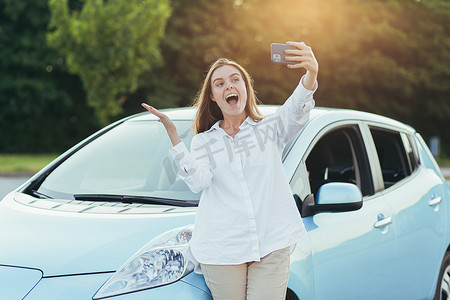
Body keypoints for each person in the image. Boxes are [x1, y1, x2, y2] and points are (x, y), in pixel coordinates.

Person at [141, 41, 318, 300]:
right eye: (220, 83)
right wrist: (175, 139)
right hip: (222, 248)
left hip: (272, 241)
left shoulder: (270, 130)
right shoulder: (204, 141)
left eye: (235, 80)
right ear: (213, 96)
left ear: (246, 88)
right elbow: (199, 181)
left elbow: (296, 110)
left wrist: (311, 74)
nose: (229, 86)